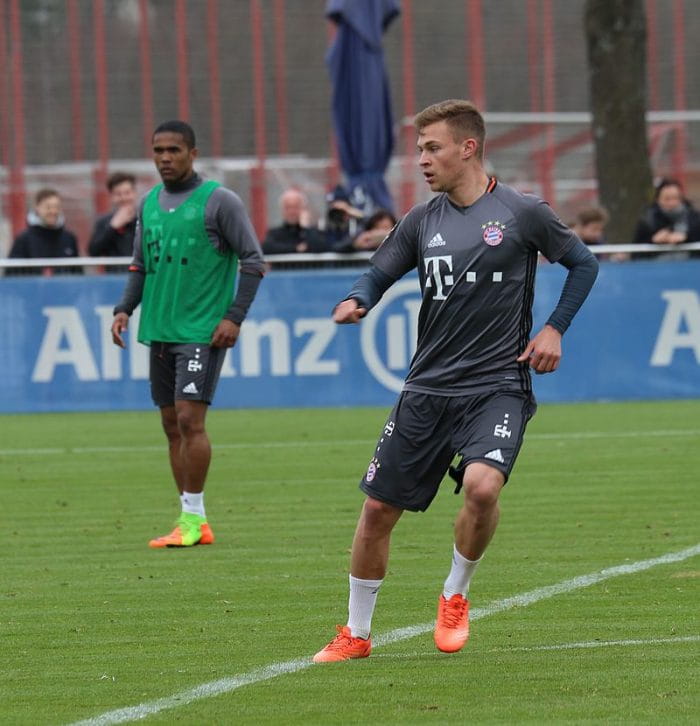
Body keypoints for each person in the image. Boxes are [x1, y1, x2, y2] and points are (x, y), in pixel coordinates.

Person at [313, 99, 599, 663]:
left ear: (468, 148)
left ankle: (455, 594)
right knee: (376, 513)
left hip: (498, 385)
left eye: (432, 148)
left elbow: (583, 263)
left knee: (483, 486)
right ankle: (356, 633)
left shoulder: (522, 212)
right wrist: (357, 299)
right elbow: (380, 270)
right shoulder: (423, 220)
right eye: (419, 149)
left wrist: (554, 330)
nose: (421, 159)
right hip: (426, 390)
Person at [110, 120, 265, 548]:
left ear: (192, 154)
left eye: (174, 150)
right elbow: (141, 264)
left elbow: (253, 261)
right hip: (158, 328)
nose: (164, 157)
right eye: (158, 150)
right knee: (169, 424)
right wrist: (125, 308)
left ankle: (194, 518)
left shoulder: (219, 202)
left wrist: (234, 316)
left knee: (188, 419)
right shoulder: (148, 203)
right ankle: (189, 519)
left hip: (201, 330)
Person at [7, 188, 81, 276]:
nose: (53, 211)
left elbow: (78, 273)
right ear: (37, 207)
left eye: (56, 207)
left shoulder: (69, 238)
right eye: (48, 207)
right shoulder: (23, 240)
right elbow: (12, 274)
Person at [631, 178, 700, 260]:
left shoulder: (694, 219)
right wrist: (653, 241)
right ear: (657, 199)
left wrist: (686, 238)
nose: (672, 203)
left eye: (676, 198)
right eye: (667, 199)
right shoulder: (647, 222)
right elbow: (636, 255)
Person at [88, 171, 138, 260]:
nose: (123, 198)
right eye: (118, 194)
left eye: (127, 193)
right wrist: (113, 227)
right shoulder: (103, 222)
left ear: (134, 193)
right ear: (112, 197)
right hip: (114, 273)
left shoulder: (145, 220)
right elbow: (93, 252)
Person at [261, 188, 325, 254]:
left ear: (303, 209)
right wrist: (296, 248)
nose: (292, 212)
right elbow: (266, 248)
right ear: (282, 210)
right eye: (288, 208)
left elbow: (321, 246)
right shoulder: (275, 233)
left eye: (296, 207)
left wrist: (306, 227)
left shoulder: (314, 232)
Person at [320, 184, 365, 250]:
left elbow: (370, 227)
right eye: (335, 210)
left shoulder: (355, 225)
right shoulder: (324, 225)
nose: (338, 214)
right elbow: (320, 246)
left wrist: (360, 216)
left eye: (342, 210)